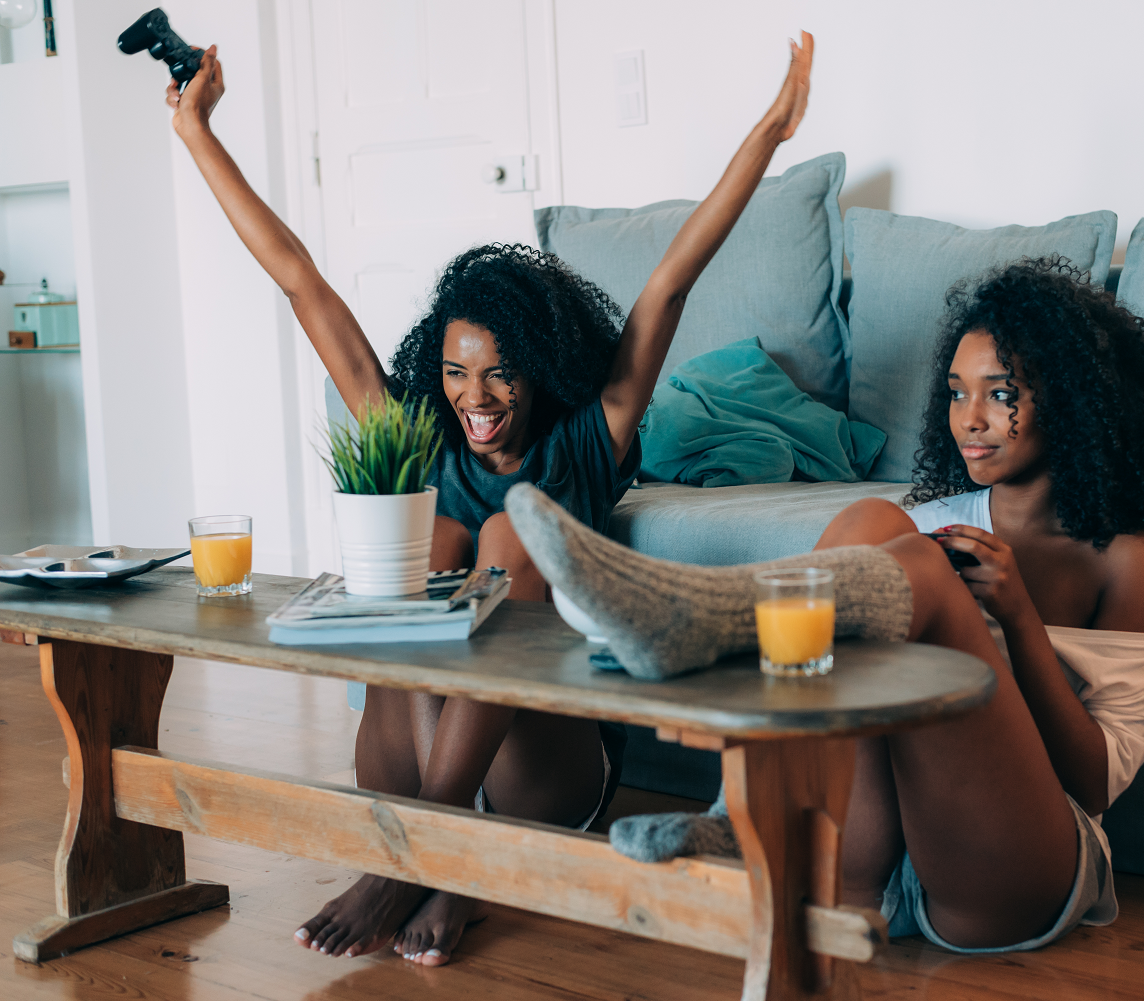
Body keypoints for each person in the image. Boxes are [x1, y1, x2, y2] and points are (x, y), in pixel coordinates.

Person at [167, 33, 816, 965]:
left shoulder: (587, 441)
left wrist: (767, 135)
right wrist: (197, 133)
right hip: (409, 746)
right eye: (456, 372)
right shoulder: (426, 439)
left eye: (501, 374)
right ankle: (431, 852)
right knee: (422, 536)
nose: (475, 398)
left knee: (510, 531)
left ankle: (433, 861)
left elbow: (672, 279)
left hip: (544, 770)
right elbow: (301, 280)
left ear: (541, 369)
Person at [498, 257, 1144, 952]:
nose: (971, 419)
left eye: (1001, 394)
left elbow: (1094, 785)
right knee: (874, 523)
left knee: (915, 569)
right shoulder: (936, 519)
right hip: (886, 858)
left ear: (1072, 397)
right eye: (955, 393)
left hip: (1023, 867)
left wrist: (1019, 620)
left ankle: (694, 620)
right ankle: (743, 806)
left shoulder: (1128, 557)